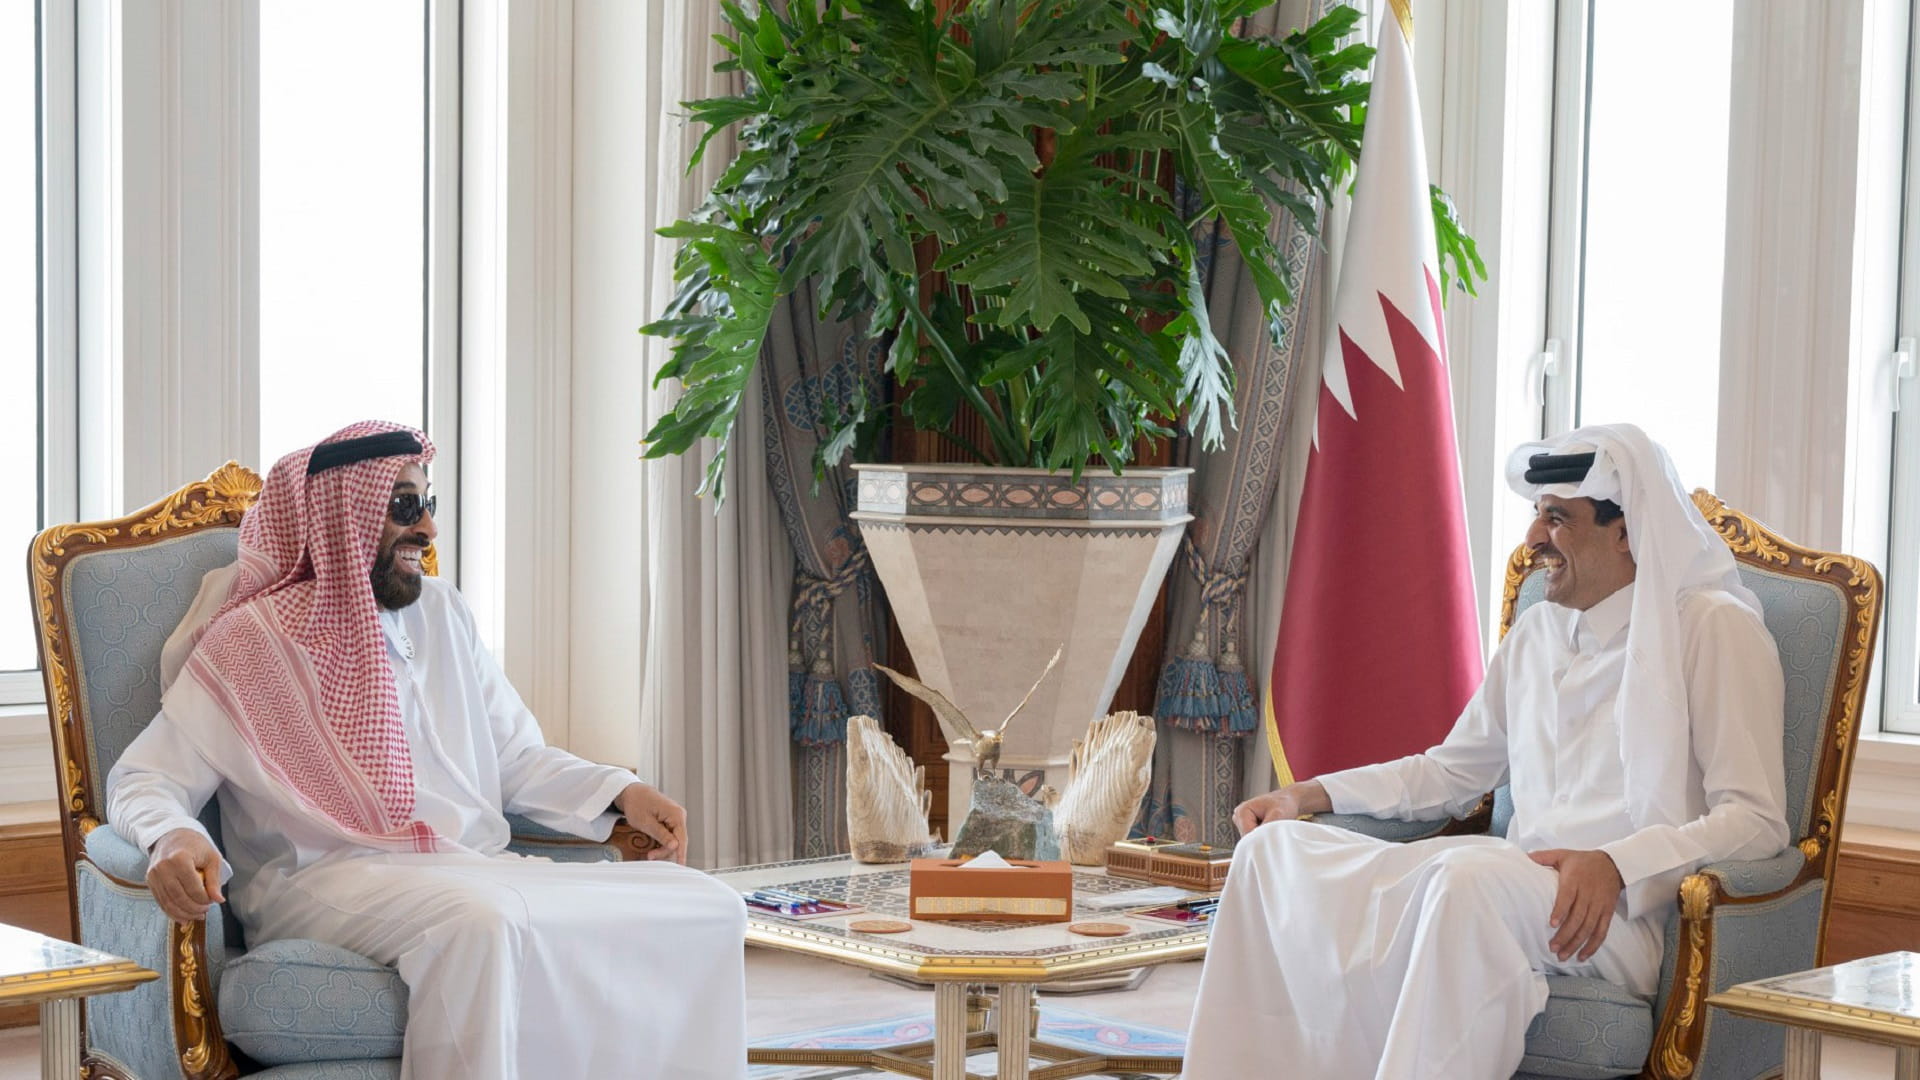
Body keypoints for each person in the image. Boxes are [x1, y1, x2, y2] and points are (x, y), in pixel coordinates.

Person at [107, 421, 747, 1080]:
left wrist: (621, 792)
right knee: (484, 926)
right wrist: (173, 838)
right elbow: (144, 778)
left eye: (428, 505)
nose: (430, 530)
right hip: (324, 878)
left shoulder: (443, 614)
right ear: (339, 516)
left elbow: (516, 757)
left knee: (704, 905)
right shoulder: (251, 641)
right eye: (404, 506)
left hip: (465, 864)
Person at [1182, 423, 1790, 1079]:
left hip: (1618, 920)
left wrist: (1617, 862)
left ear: (1626, 531)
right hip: (1509, 886)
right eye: (1536, 517)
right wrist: (1308, 794)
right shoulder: (1537, 634)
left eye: (1557, 519)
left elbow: (1757, 822)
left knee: (1466, 876)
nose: (1533, 541)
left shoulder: (1713, 627)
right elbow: (1450, 772)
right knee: (1274, 854)